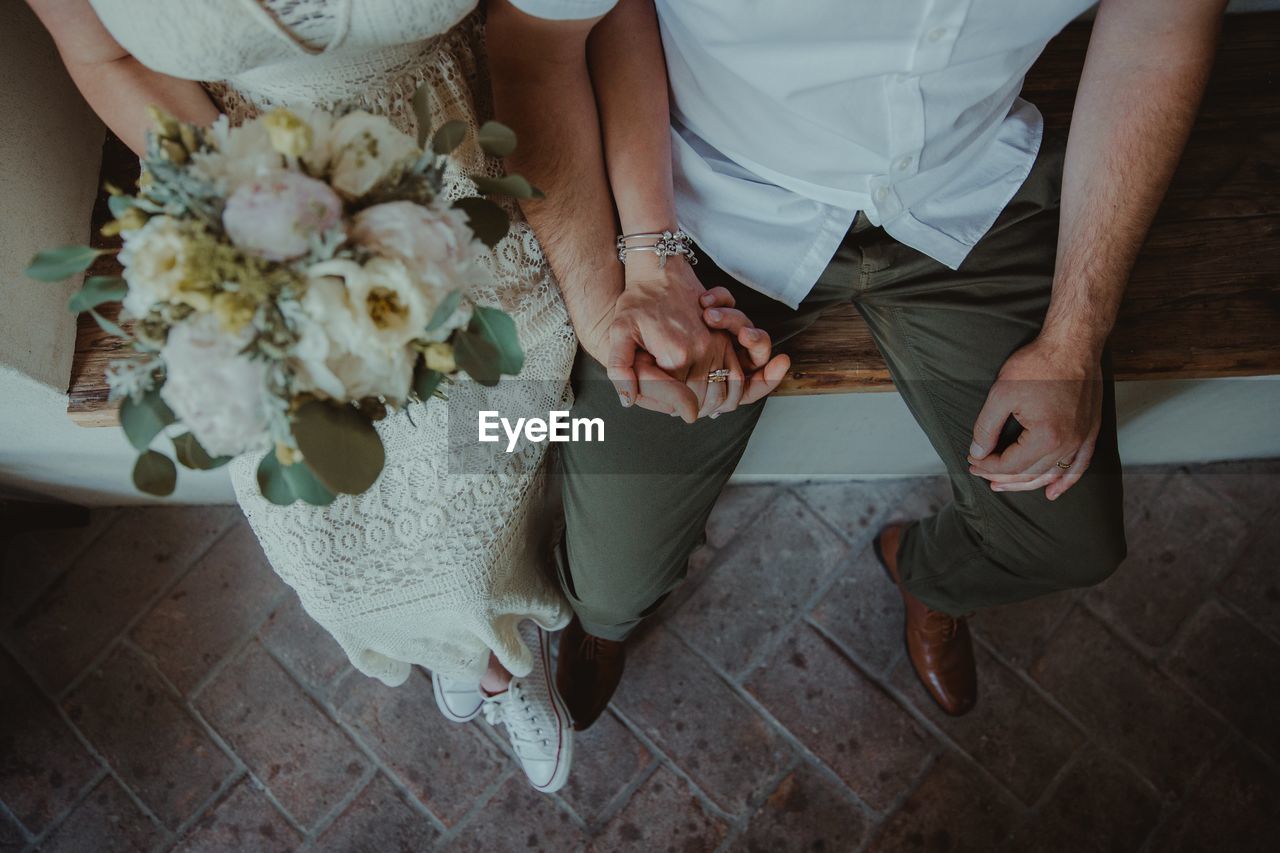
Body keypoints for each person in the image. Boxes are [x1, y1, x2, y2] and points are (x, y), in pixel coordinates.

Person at [25, 0, 783, 792]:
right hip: (250, 181)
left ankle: (499, 645)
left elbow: (559, 40)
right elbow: (105, 56)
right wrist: (244, 204)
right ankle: (464, 650)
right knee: (325, 548)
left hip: (466, 162)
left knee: (485, 471)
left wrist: (620, 287)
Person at [498, 0, 1228, 727]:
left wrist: (1076, 332)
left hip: (969, 190)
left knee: (1072, 544)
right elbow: (534, 45)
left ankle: (929, 577)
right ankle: (605, 622)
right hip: (703, 205)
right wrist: (634, 285)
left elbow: (1159, 27)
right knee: (608, 579)